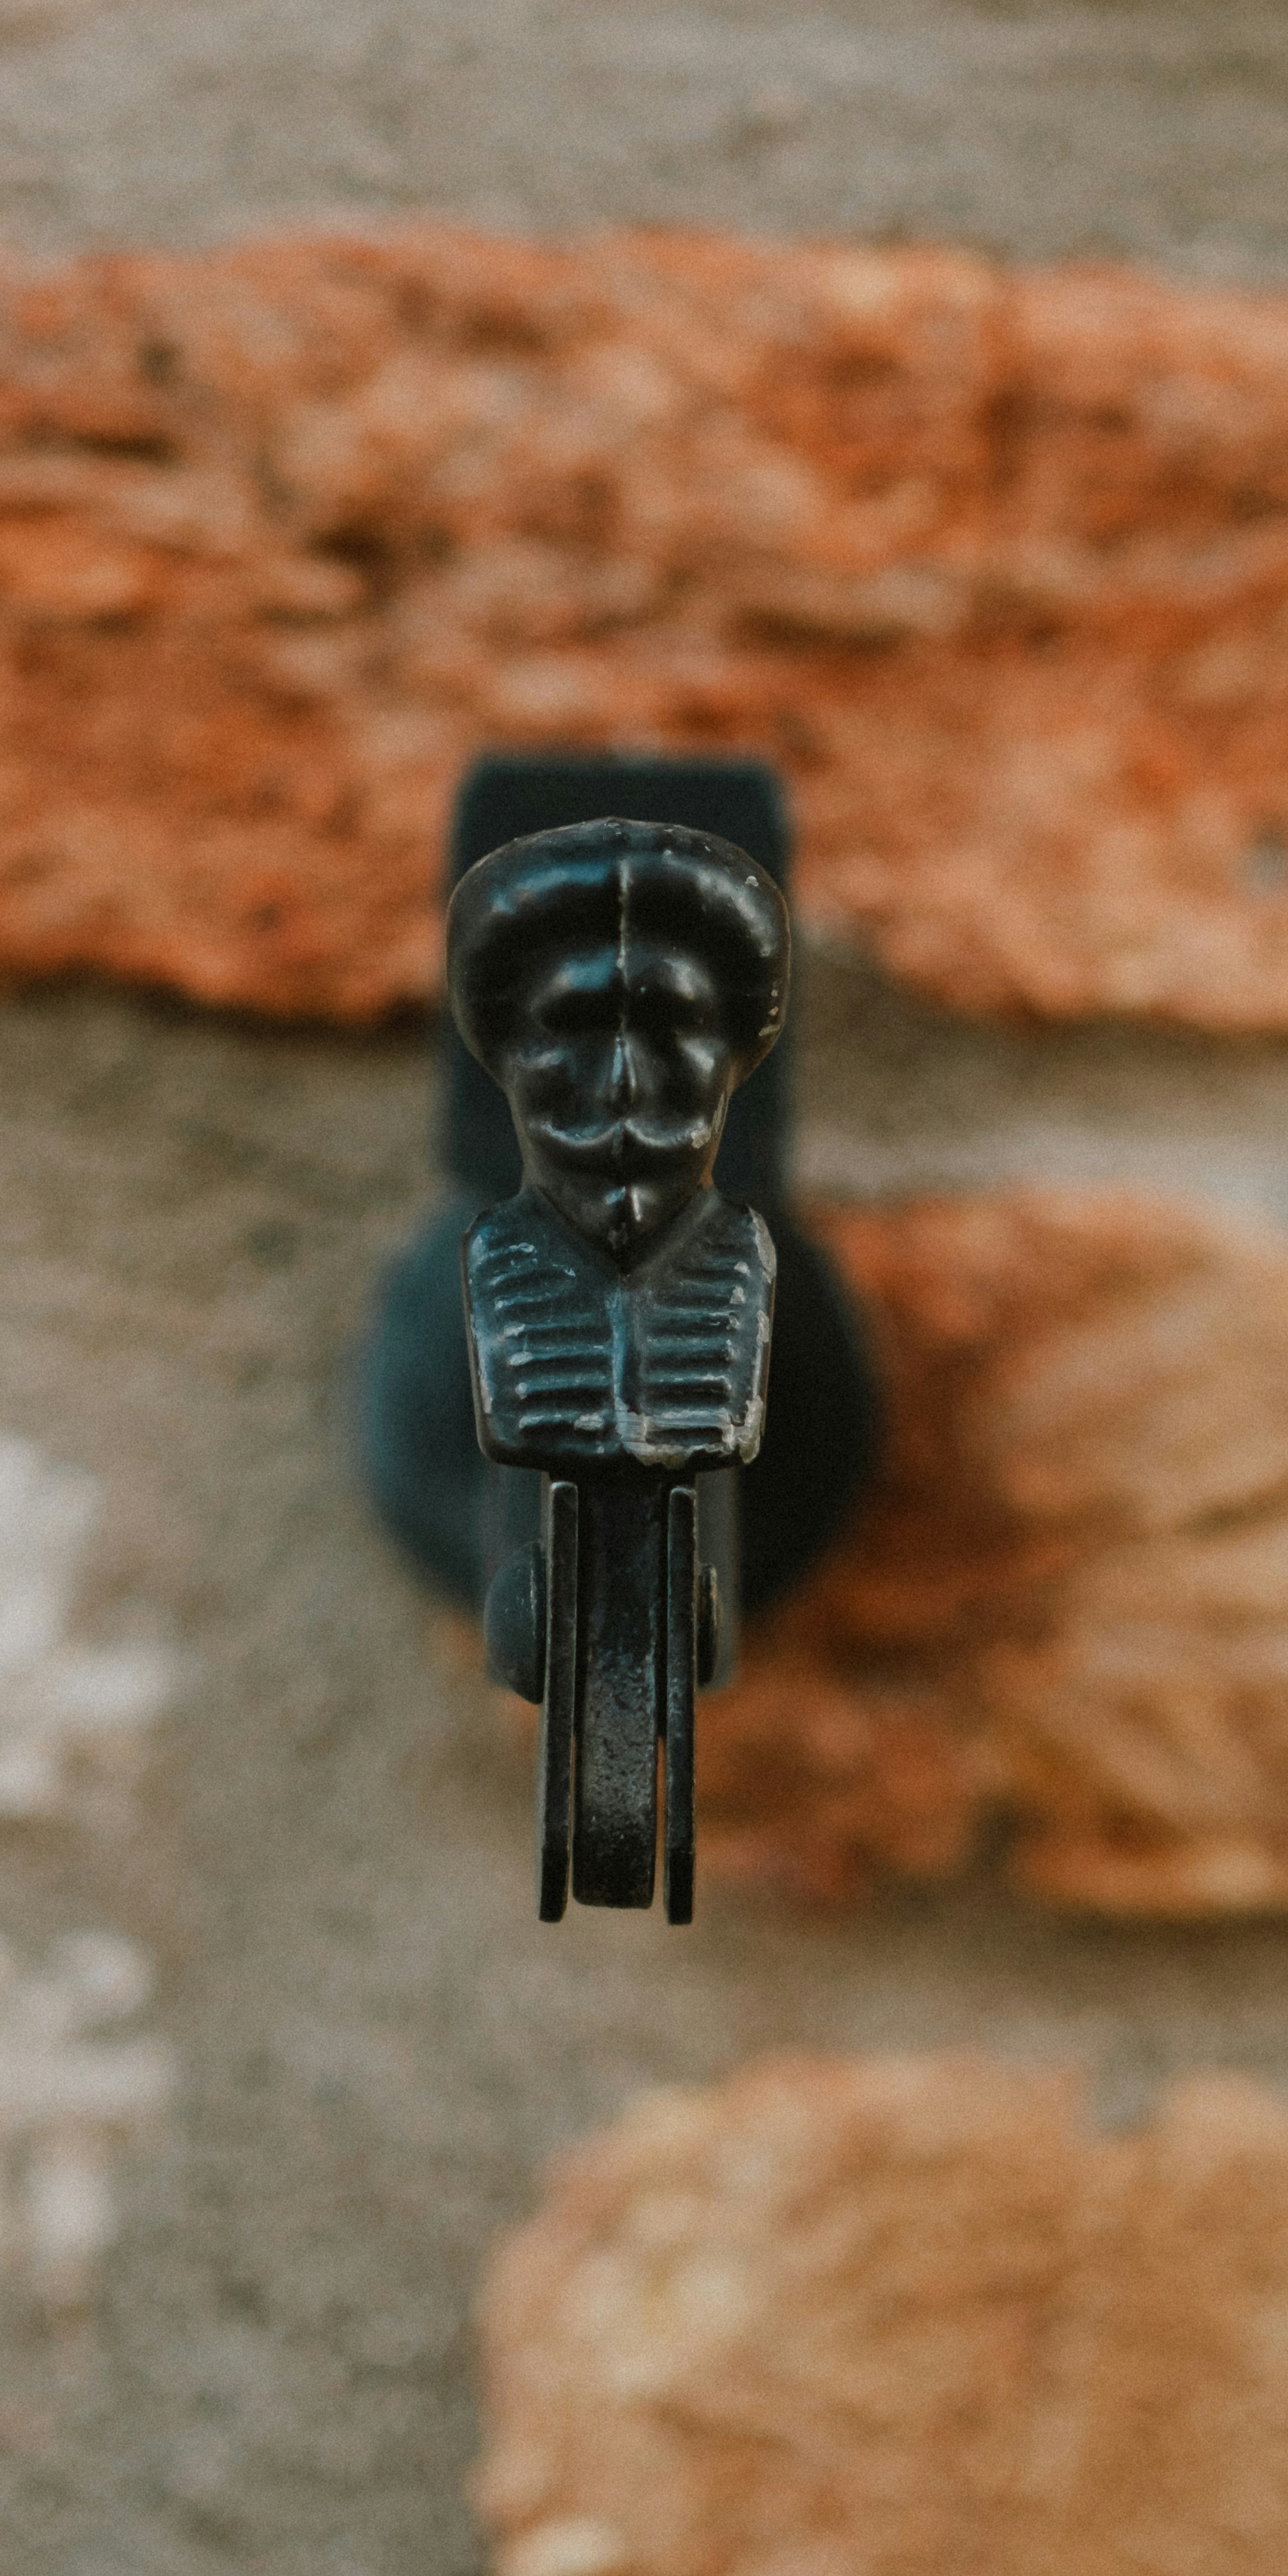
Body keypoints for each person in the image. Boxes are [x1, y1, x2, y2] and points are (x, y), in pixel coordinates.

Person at [446, 818, 789, 1916]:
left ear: (740, 1053)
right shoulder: (503, 1272)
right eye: (574, 1028)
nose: (626, 1084)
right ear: (500, 1057)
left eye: (675, 1027)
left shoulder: (737, 1276)